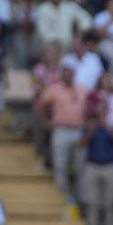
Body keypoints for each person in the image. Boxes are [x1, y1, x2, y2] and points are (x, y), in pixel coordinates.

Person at [37, 62, 88, 202]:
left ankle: (81, 199)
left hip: (78, 131)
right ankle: (62, 199)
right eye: (65, 72)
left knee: (80, 167)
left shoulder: (82, 89)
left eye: (70, 72)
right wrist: (46, 123)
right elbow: (41, 105)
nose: (68, 75)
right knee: (61, 166)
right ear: (62, 73)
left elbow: (90, 108)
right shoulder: (54, 89)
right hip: (61, 130)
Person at [80, 106, 113, 225]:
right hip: (93, 167)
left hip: (110, 167)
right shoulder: (90, 128)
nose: (101, 119)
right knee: (93, 203)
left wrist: (108, 128)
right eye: (99, 116)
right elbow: (82, 143)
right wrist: (93, 130)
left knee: (109, 203)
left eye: (104, 116)